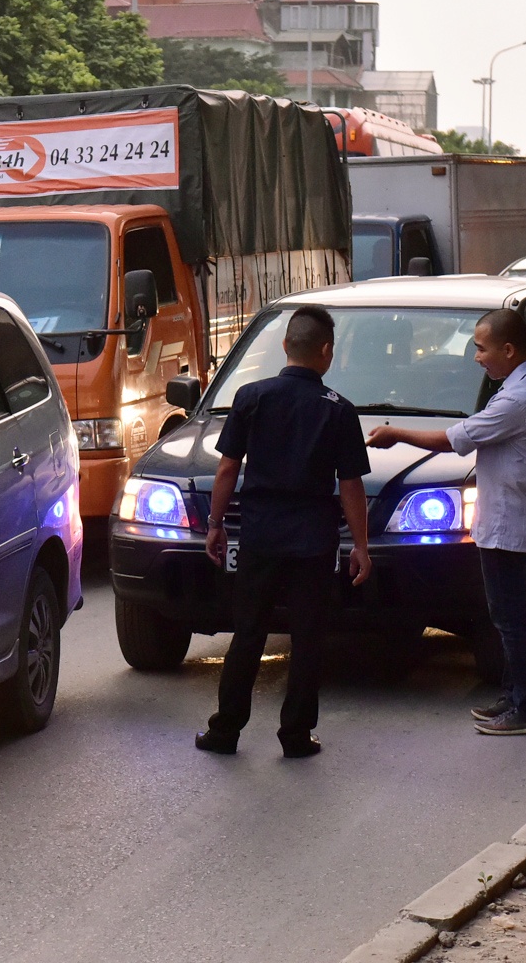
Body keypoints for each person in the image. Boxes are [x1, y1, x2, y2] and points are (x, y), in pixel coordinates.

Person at [365, 308, 526, 736]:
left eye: (481, 348)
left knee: (513, 619)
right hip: (522, 520)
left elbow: (455, 440)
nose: (476, 357)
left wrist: (397, 433)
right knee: (515, 615)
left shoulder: (519, 398)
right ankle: (514, 697)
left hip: (510, 525)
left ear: (508, 350)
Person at [196, 304, 372, 759]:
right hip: (314, 543)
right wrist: (363, 548)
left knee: (249, 632)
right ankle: (295, 735)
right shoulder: (340, 411)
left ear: (284, 345)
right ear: (326, 351)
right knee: (308, 637)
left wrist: (215, 526)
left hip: (259, 537)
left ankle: (225, 731)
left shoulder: (251, 397)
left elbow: (227, 470)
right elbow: (350, 486)